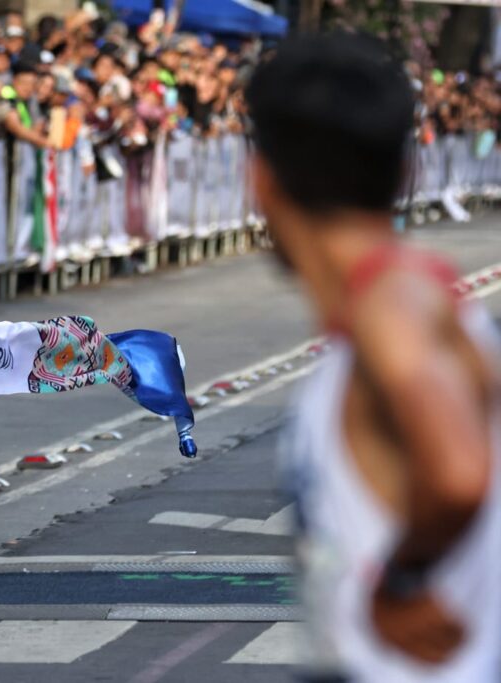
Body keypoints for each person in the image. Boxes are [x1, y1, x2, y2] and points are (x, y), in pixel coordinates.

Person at [247, 33, 501, 681]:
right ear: (406, 170)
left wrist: (402, 583)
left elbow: (459, 471)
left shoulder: (393, 300)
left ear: (261, 178)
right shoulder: (398, 299)